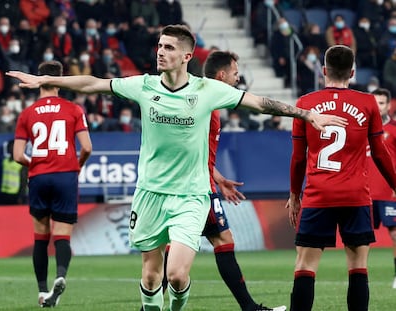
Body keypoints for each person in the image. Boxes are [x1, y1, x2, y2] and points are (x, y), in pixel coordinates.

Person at [7, 25, 347, 311]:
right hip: (150, 195)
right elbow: (93, 82)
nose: (160, 52)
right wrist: (45, 82)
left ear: (186, 56)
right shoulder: (144, 86)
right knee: (151, 276)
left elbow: (260, 103)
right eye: (159, 46)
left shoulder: (207, 90)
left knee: (176, 276)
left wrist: (306, 114)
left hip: (191, 197)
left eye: (169, 47)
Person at [154, 51, 287, 311]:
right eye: (236, 74)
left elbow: (196, 151)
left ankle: (152, 304)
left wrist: (219, 177)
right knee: (209, 245)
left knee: (192, 245)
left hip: (198, 183)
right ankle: (249, 308)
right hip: (196, 189)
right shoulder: (206, 106)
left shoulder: (204, 102)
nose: (238, 79)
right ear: (222, 75)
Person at [286, 45, 396, 311]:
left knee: (304, 266)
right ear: (353, 72)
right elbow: (380, 154)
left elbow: (298, 157)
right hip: (355, 196)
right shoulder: (368, 102)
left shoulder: (305, 104)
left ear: (323, 70)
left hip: (317, 195)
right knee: (358, 267)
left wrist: (294, 195)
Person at [12, 60, 92, 307]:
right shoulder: (74, 109)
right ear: (60, 79)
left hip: (38, 175)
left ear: (38, 79)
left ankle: (42, 291)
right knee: (62, 236)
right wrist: (76, 165)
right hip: (65, 175)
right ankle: (61, 275)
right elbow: (87, 147)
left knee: (40, 236)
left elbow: (17, 156)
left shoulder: (27, 113)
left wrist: (35, 163)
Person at [368, 88, 396, 289]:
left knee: (395, 233)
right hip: (365, 191)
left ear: (389, 105)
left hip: (389, 191)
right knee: (361, 237)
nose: (378, 107)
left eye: (382, 103)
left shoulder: (394, 129)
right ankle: (360, 276)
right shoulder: (362, 129)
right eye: (375, 103)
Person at [0, 139, 28, 205]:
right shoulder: (5, 162)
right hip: (4, 192)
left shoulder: (21, 163)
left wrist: (21, 196)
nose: (10, 148)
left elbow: (24, 181)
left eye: (12, 146)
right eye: (9, 146)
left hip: (15, 194)